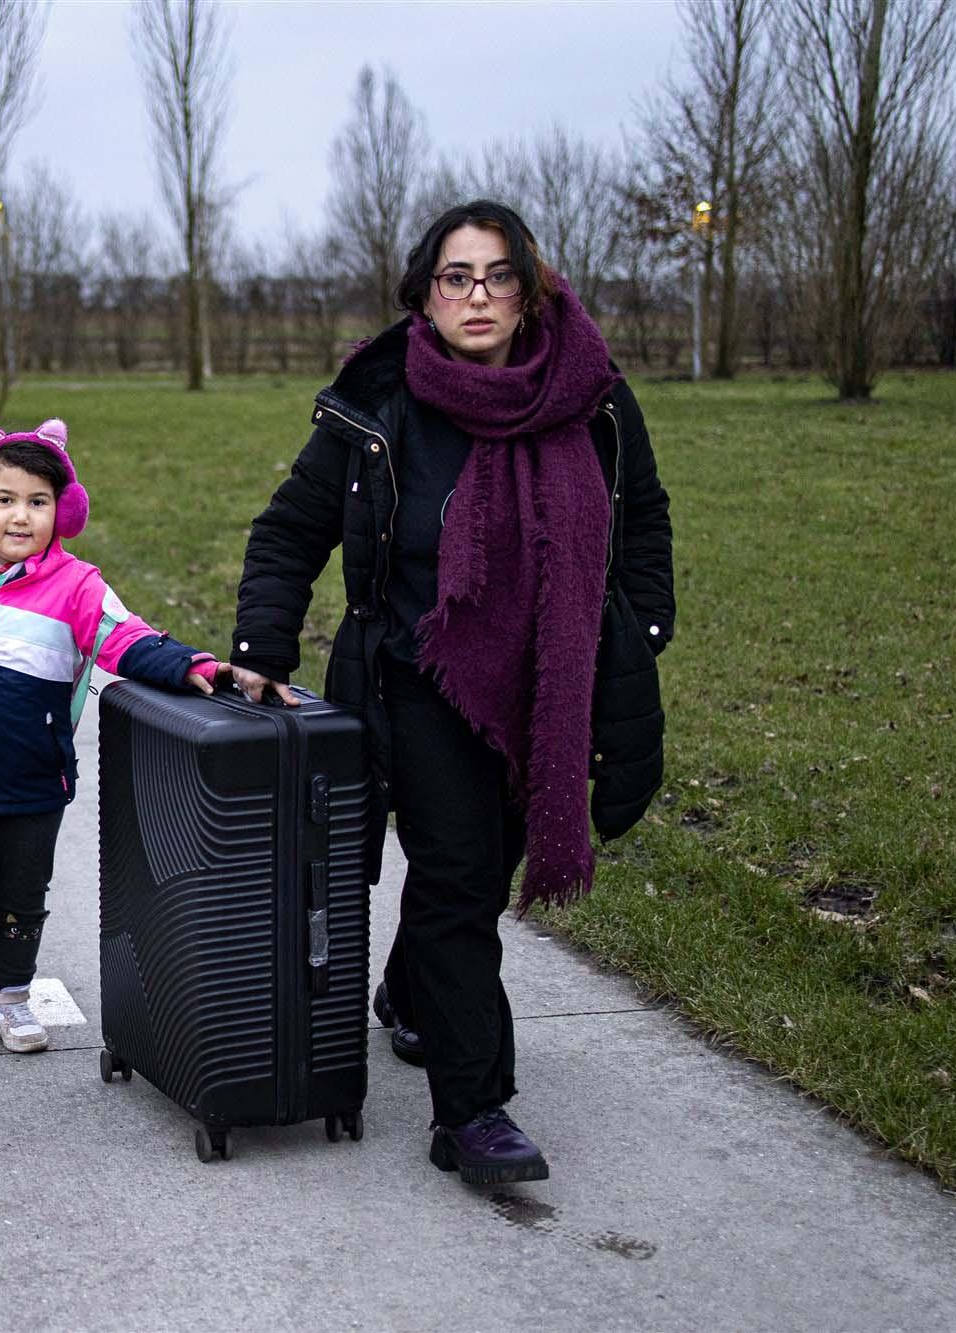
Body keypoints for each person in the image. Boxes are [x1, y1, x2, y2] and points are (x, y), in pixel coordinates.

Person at [229, 200, 675, 1187]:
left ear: (530, 286)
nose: (477, 295)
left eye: (497, 274)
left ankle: (409, 993)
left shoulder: (590, 393)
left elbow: (640, 514)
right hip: (417, 678)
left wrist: (632, 635)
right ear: (423, 296)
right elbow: (289, 527)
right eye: (454, 277)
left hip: (545, 685)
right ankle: (471, 1113)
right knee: (461, 877)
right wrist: (261, 644)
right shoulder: (378, 398)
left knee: (462, 880)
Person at [0, 419, 228, 1054]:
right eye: (5, 500)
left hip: (35, 776)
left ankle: (10, 994)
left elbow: (126, 638)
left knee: (23, 896)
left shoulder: (77, 587)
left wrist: (189, 664)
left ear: (63, 511)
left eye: (38, 501)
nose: (21, 516)